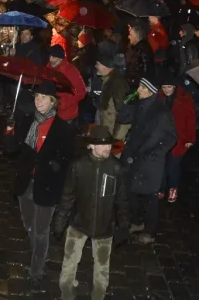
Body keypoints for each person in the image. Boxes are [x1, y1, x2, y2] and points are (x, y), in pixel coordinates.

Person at [53, 127, 129, 300]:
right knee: (70, 261)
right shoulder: (78, 166)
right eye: (103, 144)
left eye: (109, 144)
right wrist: (59, 223)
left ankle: (98, 295)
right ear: (91, 146)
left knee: (102, 267)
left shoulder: (116, 168)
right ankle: (66, 292)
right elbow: (67, 197)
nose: (108, 148)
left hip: (105, 227)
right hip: (79, 224)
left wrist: (123, 225)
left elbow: (122, 200)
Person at [12, 81, 73, 287]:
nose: (38, 101)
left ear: (53, 101)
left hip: (47, 186)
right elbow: (13, 149)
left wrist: (54, 164)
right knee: (28, 225)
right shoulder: (27, 121)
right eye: (36, 97)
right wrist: (9, 130)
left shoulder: (62, 128)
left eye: (43, 97)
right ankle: (40, 253)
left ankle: (36, 269)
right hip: (26, 182)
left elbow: (67, 158)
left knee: (40, 230)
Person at [119, 78, 176, 244]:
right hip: (133, 157)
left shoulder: (162, 112)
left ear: (151, 91)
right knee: (131, 191)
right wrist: (127, 102)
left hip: (150, 161)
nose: (138, 90)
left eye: (142, 87)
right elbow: (123, 118)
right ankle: (136, 221)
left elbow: (171, 137)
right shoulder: (139, 104)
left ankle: (149, 231)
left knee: (150, 197)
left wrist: (155, 153)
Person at [160, 74, 196, 203]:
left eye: (169, 87)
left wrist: (190, 139)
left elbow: (190, 119)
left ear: (174, 87)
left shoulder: (185, 99)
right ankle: (161, 188)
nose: (166, 90)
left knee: (172, 166)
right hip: (162, 138)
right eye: (164, 87)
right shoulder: (159, 98)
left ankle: (173, 189)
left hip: (179, 139)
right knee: (161, 165)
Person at [94, 50, 130, 140]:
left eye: (98, 64)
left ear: (105, 66)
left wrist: (116, 139)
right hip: (108, 131)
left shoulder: (117, 84)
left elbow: (124, 114)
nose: (96, 66)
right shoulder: (106, 80)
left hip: (113, 134)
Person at [49, 44, 87, 123]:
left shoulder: (71, 70)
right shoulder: (48, 68)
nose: (50, 59)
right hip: (51, 114)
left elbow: (82, 91)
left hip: (66, 115)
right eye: (50, 56)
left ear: (60, 58)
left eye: (53, 57)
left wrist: (65, 102)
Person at [125, 21, 154, 88]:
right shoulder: (136, 48)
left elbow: (145, 70)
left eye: (130, 35)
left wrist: (135, 81)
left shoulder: (142, 49)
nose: (128, 37)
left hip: (139, 85)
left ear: (136, 36)